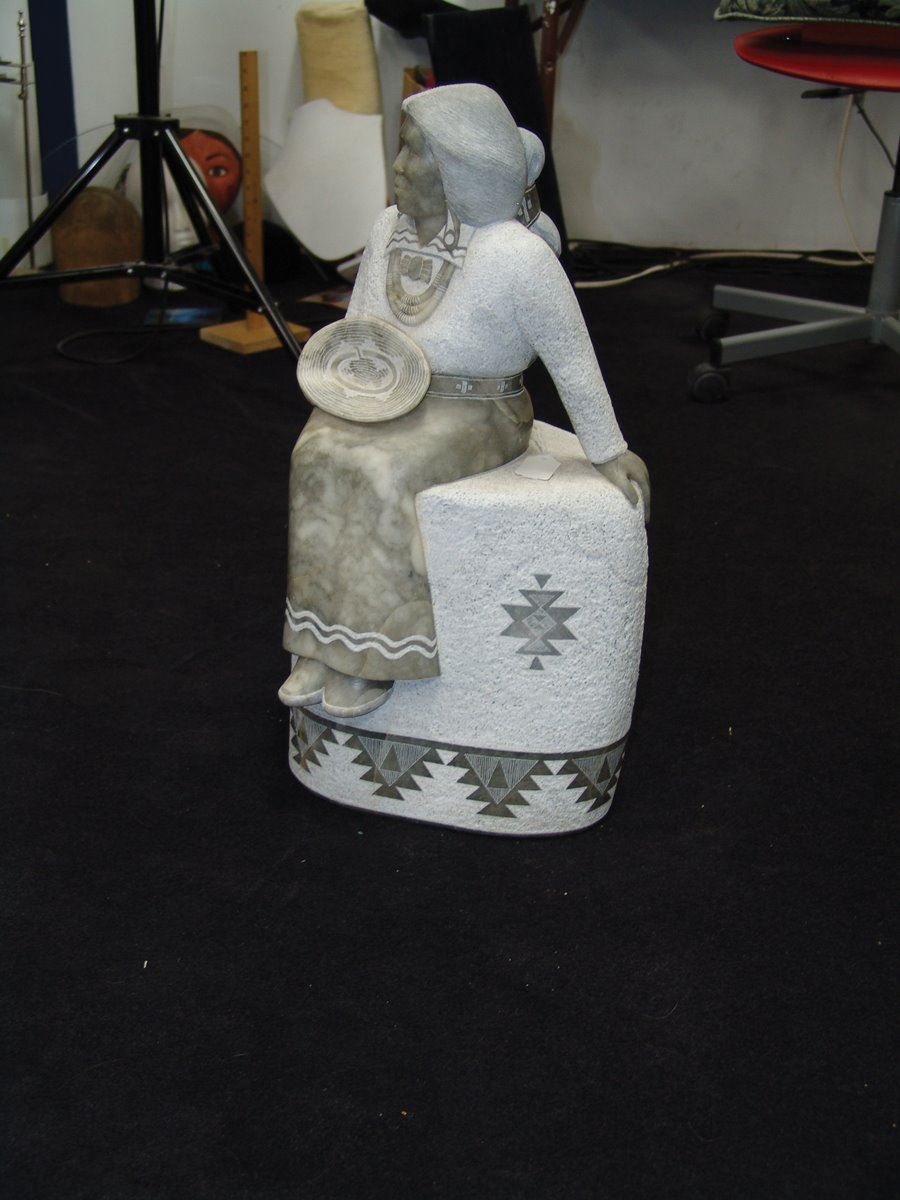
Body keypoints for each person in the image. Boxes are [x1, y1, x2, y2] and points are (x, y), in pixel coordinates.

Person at [279, 83, 649, 718]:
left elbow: (571, 356)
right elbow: (361, 324)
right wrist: (348, 386)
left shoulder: (515, 254)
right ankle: (320, 642)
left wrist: (607, 449)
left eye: (415, 152)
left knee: (381, 471)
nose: (399, 166)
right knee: (315, 453)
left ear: (461, 168)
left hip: (481, 410)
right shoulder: (387, 229)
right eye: (401, 148)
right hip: (387, 392)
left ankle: (373, 657)